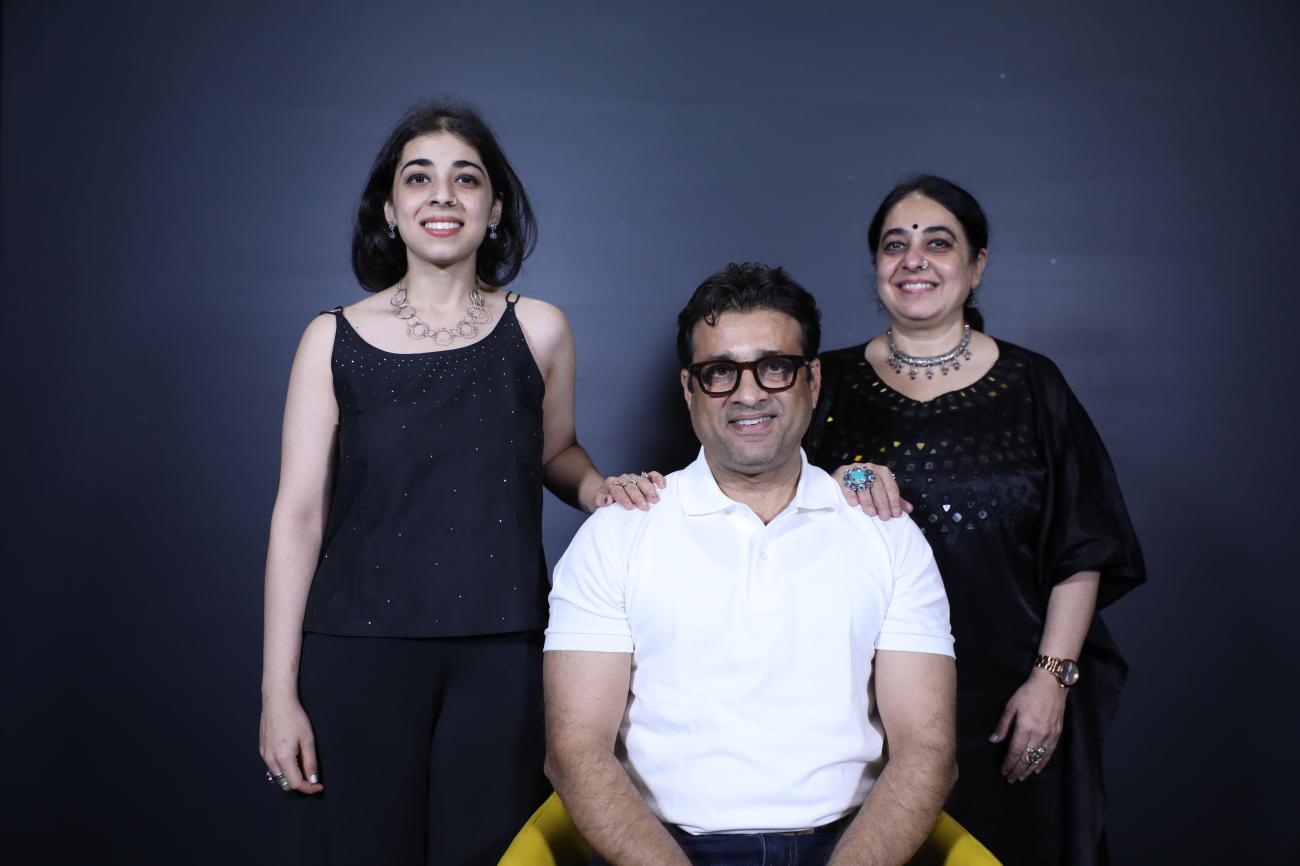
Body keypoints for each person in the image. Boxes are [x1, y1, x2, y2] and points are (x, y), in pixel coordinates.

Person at [257, 99, 665, 866]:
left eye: (465, 178)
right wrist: (277, 694)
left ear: (495, 207)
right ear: (389, 209)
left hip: (503, 650)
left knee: (493, 856)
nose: (442, 195)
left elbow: (555, 451)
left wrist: (599, 490)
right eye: (419, 178)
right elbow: (299, 516)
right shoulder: (330, 339)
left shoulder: (540, 328)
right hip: (358, 649)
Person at [544, 262, 957, 866]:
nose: (748, 394)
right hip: (662, 849)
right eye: (719, 372)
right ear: (689, 390)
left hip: (850, 847)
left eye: (774, 367)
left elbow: (928, 750)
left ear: (812, 379)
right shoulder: (616, 534)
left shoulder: (886, 532)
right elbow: (575, 752)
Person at [804, 175, 1146, 866]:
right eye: (895, 245)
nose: (914, 260)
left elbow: (1083, 546)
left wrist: (1051, 681)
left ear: (977, 263)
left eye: (938, 243)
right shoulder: (822, 383)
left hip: (1009, 701)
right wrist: (834, 482)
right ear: (876, 264)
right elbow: (764, 508)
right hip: (860, 707)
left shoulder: (1032, 384)